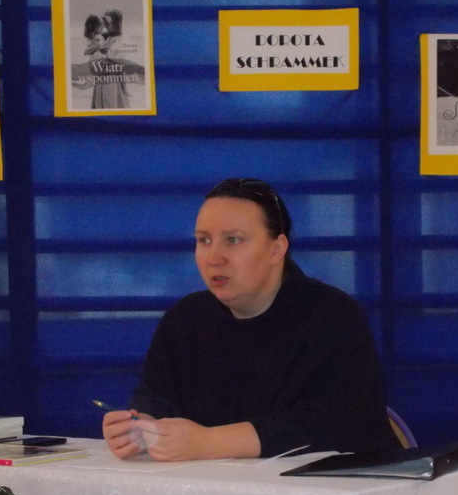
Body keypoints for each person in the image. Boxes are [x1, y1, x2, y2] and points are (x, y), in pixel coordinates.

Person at [102, 178, 401, 462]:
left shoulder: (333, 315)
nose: (214, 257)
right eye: (204, 240)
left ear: (277, 249)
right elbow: (156, 396)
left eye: (233, 240)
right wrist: (140, 428)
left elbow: (337, 425)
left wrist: (210, 442)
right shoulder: (184, 320)